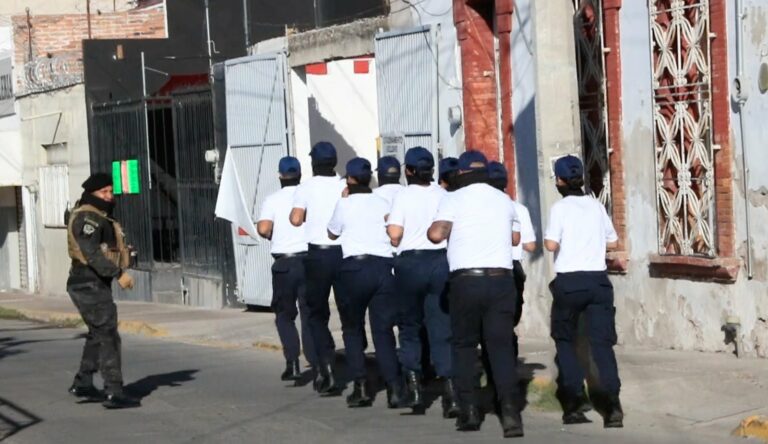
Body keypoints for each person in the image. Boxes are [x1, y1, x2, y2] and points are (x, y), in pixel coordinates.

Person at [428, 151, 524, 438]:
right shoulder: (504, 200)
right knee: (500, 347)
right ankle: (510, 414)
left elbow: (435, 235)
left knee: (464, 346)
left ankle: (469, 411)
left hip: (466, 281)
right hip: (501, 280)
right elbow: (514, 238)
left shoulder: (453, 199)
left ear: (463, 173)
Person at [543, 155, 623, 428]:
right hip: (598, 282)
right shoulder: (596, 206)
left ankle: (574, 404)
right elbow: (613, 242)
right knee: (602, 345)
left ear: (560, 181)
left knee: (565, 342)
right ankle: (613, 406)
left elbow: (551, 245)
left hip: (570, 282)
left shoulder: (560, 208)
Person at [327, 157, 406, 408]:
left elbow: (332, 232)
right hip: (383, 267)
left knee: (352, 329)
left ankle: (361, 387)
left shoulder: (344, 203)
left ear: (350, 179)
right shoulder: (382, 202)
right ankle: (395, 388)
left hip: (353, 269)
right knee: (383, 331)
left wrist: (344, 200)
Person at [386, 147, 457, 417]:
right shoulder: (443, 195)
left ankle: (415, 389)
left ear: (408, 171)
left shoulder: (403, 196)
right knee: (441, 327)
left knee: (409, 327)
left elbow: (395, 232)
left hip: (410, 263)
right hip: (440, 262)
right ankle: (450, 393)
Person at [66, 172, 140, 409]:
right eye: (104, 192)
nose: (109, 196)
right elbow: (92, 253)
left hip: (93, 283)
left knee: (98, 333)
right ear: (92, 194)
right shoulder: (89, 217)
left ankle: (83, 383)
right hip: (88, 282)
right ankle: (114, 391)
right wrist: (118, 274)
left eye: (111, 191)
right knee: (108, 335)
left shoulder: (99, 216)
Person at [289, 141, 346, 395]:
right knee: (349, 313)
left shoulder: (305, 187)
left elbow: (296, 219)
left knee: (317, 314)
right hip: (344, 254)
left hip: (318, 255)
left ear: (314, 163)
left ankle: (327, 368)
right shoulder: (345, 184)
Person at [257, 156, 316, 383]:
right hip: (309, 260)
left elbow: (263, 228)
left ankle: (292, 363)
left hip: (284, 264)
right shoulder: (308, 197)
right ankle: (316, 361)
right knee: (309, 314)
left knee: (284, 315)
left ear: (280, 176)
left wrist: (272, 233)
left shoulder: (272, 200)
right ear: (300, 175)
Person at [487, 161, 536, 359]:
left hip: (489, 267)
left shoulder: (482, 209)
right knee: (509, 316)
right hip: (513, 269)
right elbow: (531, 245)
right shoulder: (519, 209)